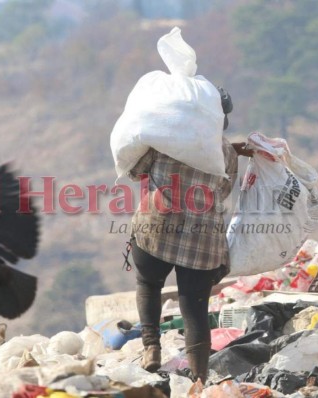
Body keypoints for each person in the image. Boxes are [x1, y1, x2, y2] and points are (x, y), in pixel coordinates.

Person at [126, 87, 251, 383]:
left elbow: (135, 172)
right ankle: (198, 379)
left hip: (156, 230)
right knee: (194, 308)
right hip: (202, 242)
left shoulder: (163, 139)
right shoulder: (227, 155)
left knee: (148, 283)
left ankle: (152, 348)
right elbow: (222, 192)